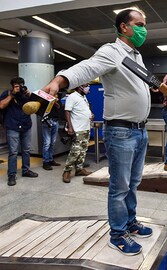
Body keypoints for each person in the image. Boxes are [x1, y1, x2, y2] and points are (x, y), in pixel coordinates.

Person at [42, 8, 152, 256]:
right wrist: (60, 80)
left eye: (145, 25)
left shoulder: (136, 56)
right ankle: (117, 233)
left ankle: (131, 222)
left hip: (139, 131)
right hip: (122, 132)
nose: (144, 29)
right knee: (120, 186)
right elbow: (87, 68)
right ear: (124, 27)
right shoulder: (112, 52)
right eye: (140, 24)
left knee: (133, 183)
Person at [0, 77, 38, 186]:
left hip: (26, 125)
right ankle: (12, 174)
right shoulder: (6, 93)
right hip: (12, 126)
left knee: (26, 150)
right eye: (17, 85)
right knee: (13, 152)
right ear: (13, 86)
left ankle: (26, 170)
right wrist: (12, 95)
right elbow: (1, 105)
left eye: (21, 85)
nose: (19, 87)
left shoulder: (26, 95)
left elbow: (34, 107)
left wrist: (30, 95)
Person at [62, 84, 93, 183]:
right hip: (78, 129)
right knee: (75, 151)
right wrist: (70, 128)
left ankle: (79, 169)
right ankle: (67, 171)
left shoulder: (83, 97)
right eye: (86, 85)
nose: (88, 87)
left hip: (86, 127)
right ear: (79, 87)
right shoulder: (72, 97)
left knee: (83, 150)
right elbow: (67, 112)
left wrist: (90, 114)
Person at [42, 96, 62, 170]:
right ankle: (45, 162)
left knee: (52, 142)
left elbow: (59, 108)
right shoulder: (45, 99)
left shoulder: (57, 99)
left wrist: (56, 103)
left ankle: (50, 159)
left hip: (55, 121)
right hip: (47, 121)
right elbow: (42, 110)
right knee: (47, 143)